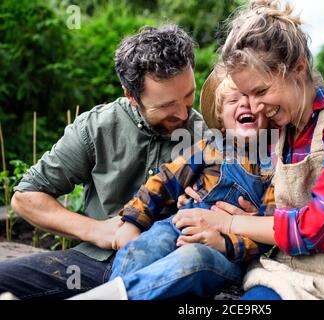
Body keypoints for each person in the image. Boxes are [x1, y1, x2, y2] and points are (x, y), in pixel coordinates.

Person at [173, 0, 324, 300]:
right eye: (246, 95)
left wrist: (231, 222)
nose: (254, 106)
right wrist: (206, 194)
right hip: (291, 279)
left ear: (299, 68)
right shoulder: (277, 135)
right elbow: (255, 199)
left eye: (260, 91)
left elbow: (318, 227)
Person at [0, 25, 206, 299]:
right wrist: (98, 231)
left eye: (189, 95)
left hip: (164, 268)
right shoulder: (96, 127)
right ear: (130, 97)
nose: (183, 113)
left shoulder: (207, 136)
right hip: (90, 264)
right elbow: (25, 197)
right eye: (167, 105)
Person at [69, 68, 276, 300]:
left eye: (252, 98)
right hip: (178, 225)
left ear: (267, 112)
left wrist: (224, 242)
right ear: (220, 118)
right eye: (234, 100)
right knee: (143, 247)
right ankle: (112, 294)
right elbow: (164, 180)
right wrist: (133, 220)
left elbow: (267, 229)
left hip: (223, 252)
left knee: (194, 258)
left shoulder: (273, 166)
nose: (245, 104)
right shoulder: (209, 147)